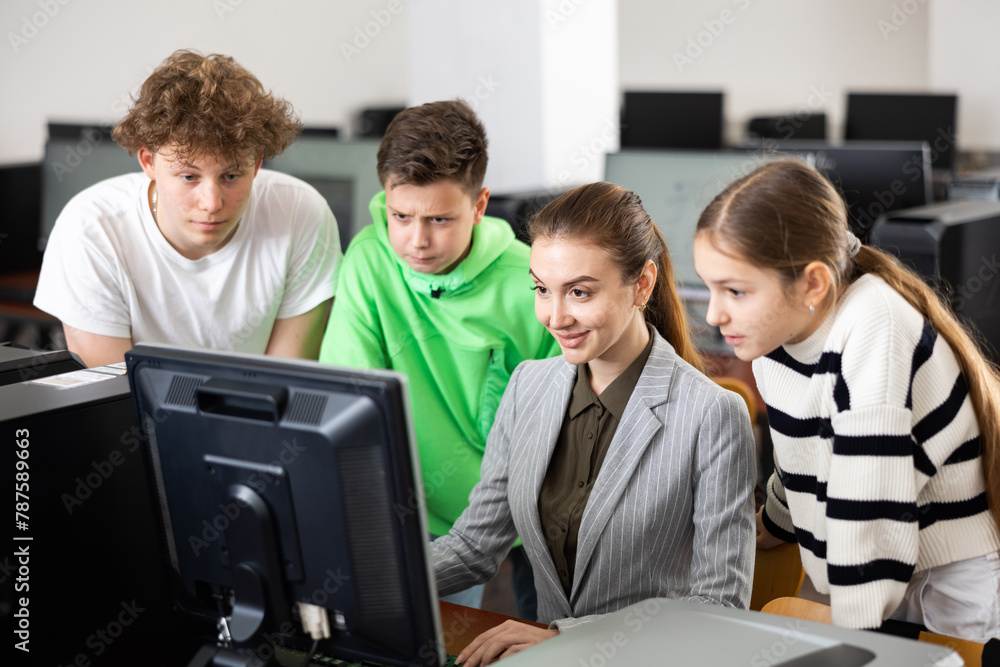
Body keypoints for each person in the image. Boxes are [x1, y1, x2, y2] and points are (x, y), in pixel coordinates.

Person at [431, 181, 756, 666]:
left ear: (642, 284)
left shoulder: (712, 414)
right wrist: (365, 583)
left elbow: (718, 608)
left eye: (579, 292)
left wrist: (567, 637)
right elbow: (476, 545)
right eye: (541, 289)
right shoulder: (528, 387)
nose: (555, 316)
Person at [693, 159, 1000, 641]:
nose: (715, 315)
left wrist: (849, 636)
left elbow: (870, 501)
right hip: (873, 569)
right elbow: (804, 454)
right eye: (711, 288)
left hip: (946, 580)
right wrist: (775, 522)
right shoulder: (777, 338)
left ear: (813, 283)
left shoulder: (872, 324)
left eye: (735, 291)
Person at [318, 100, 560, 616]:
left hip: (516, 511)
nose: (416, 240)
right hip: (401, 513)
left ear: (479, 206)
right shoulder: (368, 259)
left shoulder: (531, 281)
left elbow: (558, 423)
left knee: (542, 633)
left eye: (440, 219)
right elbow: (346, 397)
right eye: (400, 216)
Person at [34, 50, 341, 366]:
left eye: (231, 175)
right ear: (149, 162)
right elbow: (110, 402)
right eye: (189, 176)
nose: (212, 203)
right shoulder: (91, 229)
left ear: (257, 163)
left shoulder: (301, 213)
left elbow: (284, 387)